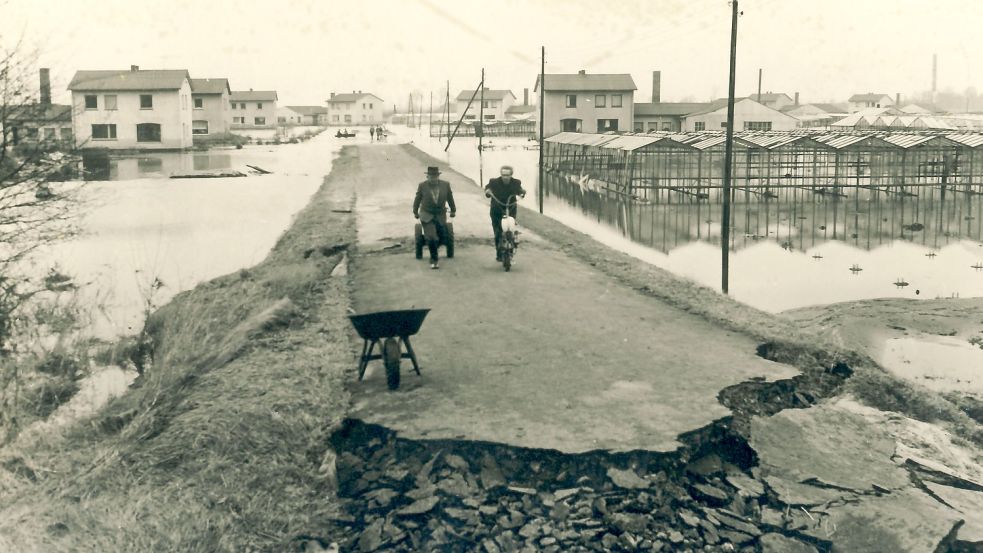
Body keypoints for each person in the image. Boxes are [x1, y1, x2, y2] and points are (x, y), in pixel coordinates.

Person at [413, 166, 456, 269]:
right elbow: (417, 199)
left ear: (438, 176)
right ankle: (434, 260)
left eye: (435, 176)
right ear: (427, 176)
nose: (433, 178)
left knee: (442, 236)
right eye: (431, 176)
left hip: (440, 215)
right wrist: (415, 211)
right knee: (431, 237)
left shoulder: (445, 185)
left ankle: (437, 245)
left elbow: (450, 198)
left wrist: (453, 210)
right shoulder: (422, 186)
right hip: (426, 215)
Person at [484, 165, 526, 261]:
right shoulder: (494, 182)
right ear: (501, 174)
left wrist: (522, 193)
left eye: (507, 175)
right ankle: (499, 254)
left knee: (509, 230)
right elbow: (488, 188)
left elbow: (520, 190)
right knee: (498, 232)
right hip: (497, 209)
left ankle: (510, 250)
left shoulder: (516, 182)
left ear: (511, 175)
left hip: (510, 208)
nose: (505, 177)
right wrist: (488, 192)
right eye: (503, 175)